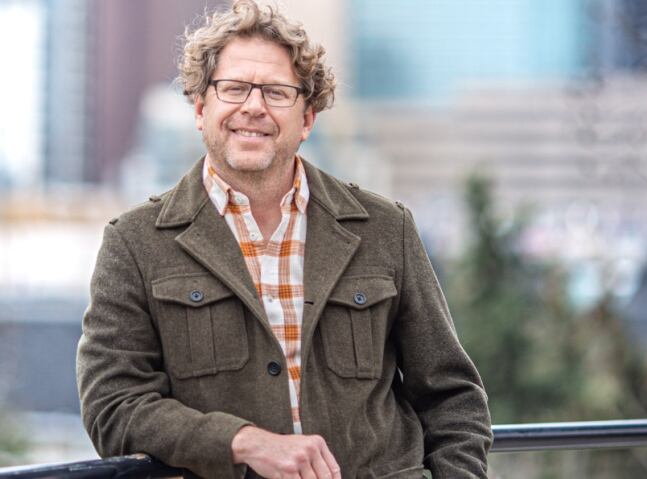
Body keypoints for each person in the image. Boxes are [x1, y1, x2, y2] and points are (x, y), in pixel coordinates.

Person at [76, 1, 492, 477]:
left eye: (276, 92)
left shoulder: (385, 228)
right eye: (233, 89)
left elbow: (452, 395)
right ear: (200, 108)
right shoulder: (134, 243)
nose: (253, 107)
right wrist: (243, 442)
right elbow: (114, 406)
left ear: (308, 119)